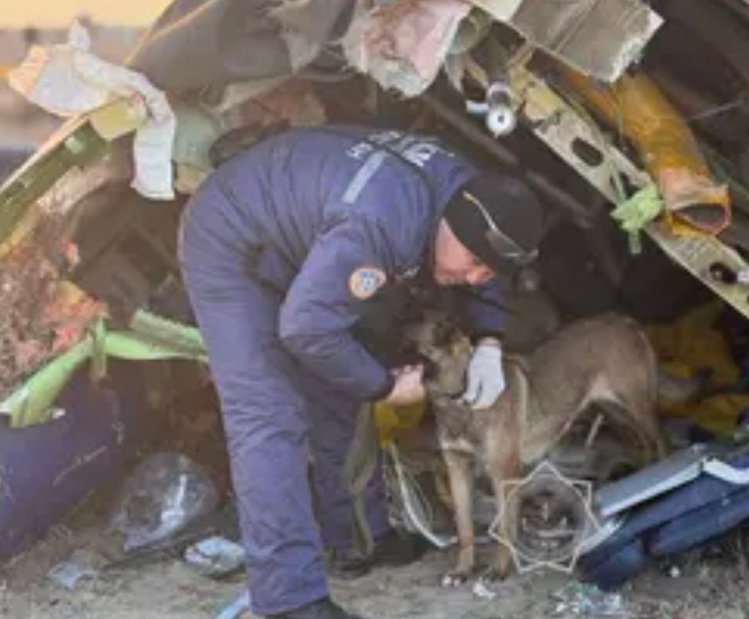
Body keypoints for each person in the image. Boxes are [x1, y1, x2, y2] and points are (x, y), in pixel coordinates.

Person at [178, 126, 546, 619]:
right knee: (269, 414)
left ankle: (357, 539)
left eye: (490, 271)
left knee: (339, 385)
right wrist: (385, 386)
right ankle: (290, 602)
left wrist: (490, 340)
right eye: (474, 262)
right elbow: (306, 328)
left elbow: (484, 258)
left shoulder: (471, 193)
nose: (476, 278)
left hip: (309, 229)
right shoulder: (381, 225)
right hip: (233, 239)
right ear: (450, 224)